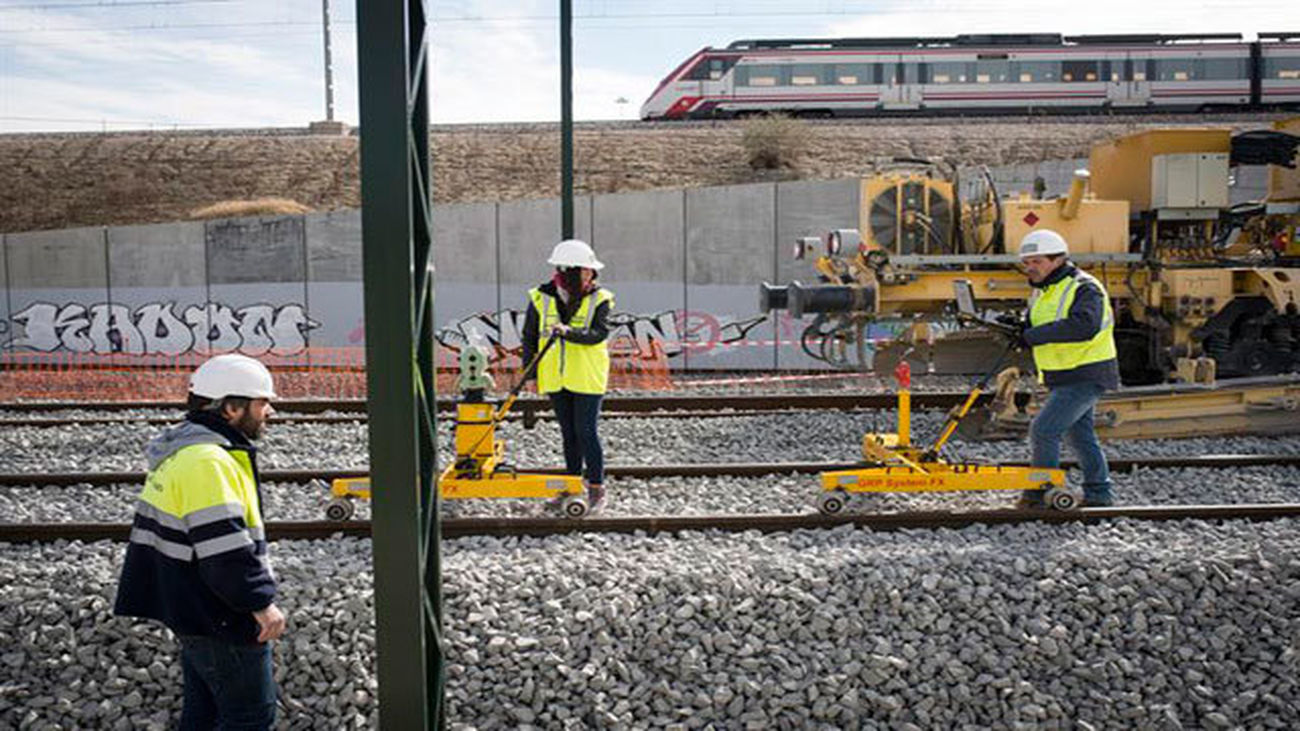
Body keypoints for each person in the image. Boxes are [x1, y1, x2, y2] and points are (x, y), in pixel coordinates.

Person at [114, 353, 285, 730]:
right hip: (218, 613)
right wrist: (259, 602)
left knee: (204, 714)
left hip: (194, 606)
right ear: (231, 408)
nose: (270, 411)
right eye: (263, 402)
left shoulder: (186, 452)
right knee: (250, 717)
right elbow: (222, 547)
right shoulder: (207, 461)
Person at [1014, 229, 1120, 508]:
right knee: (1080, 435)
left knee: (1044, 429)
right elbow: (1039, 325)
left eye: (1036, 261)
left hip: (1086, 372)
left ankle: (1039, 492)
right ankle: (1099, 493)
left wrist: (1032, 336)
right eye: (1026, 262)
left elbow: (1084, 326)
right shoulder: (1043, 291)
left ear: (1057, 259)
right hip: (1064, 374)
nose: (1030, 268)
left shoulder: (1085, 287)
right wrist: (1019, 329)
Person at [521, 238, 616, 510]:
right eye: (586, 270)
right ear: (568, 271)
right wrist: (530, 374)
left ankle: (597, 488)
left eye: (591, 271)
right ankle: (572, 486)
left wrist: (569, 332)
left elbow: (598, 334)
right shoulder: (540, 297)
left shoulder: (601, 298)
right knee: (569, 434)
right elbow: (529, 336)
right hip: (555, 376)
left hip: (587, 376)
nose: (592, 275)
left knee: (586, 431)